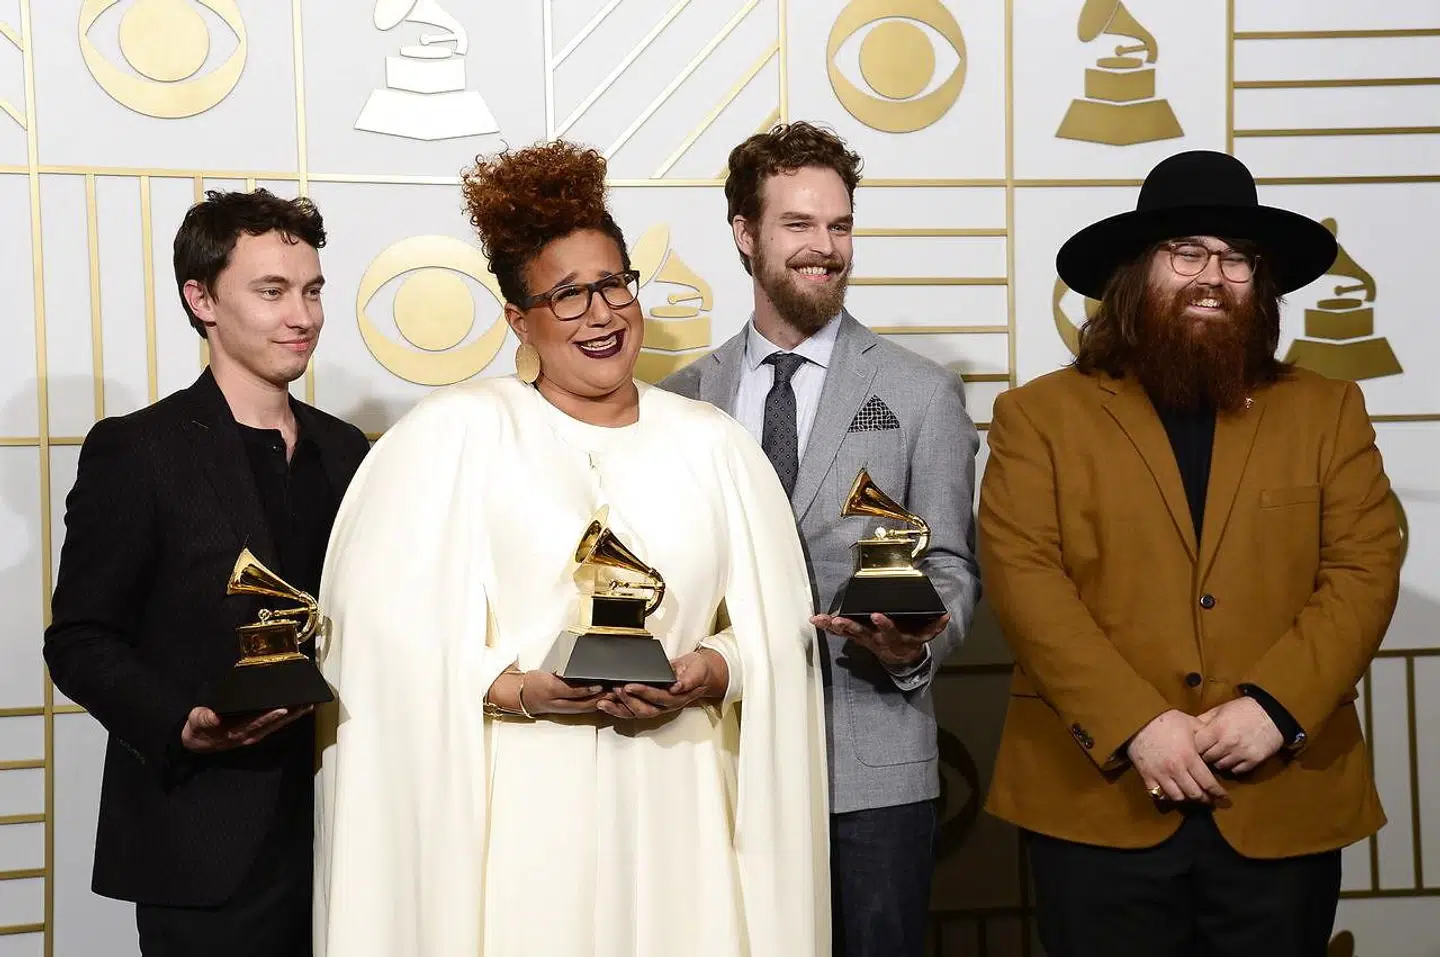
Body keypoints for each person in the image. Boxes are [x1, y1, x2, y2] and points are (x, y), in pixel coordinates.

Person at [311, 141, 829, 957]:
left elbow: (775, 627)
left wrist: (711, 669)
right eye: (568, 294)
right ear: (519, 319)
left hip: (681, 805)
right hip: (523, 815)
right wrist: (519, 689)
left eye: (615, 283)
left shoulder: (714, 445)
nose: (602, 313)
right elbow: (376, 644)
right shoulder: (454, 438)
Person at [980, 150, 1402, 957]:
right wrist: (1135, 722)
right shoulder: (1037, 416)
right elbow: (1026, 581)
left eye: (1237, 259)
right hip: (1097, 800)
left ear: (1259, 285)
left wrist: (1276, 707)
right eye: (1187, 253)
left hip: (1281, 799)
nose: (1213, 275)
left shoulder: (1328, 410)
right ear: (1137, 273)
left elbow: (1365, 568)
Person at [661, 121, 981, 957]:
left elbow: (951, 564)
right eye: (798, 224)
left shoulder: (921, 393)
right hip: (716, 765)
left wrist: (914, 639)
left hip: (869, 774)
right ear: (745, 234)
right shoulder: (679, 399)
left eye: (840, 226)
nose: (826, 248)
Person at [44, 189, 370, 957]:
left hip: (344, 829)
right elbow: (80, 639)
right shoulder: (139, 449)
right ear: (202, 300)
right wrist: (180, 720)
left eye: (312, 290)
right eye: (272, 291)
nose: (302, 315)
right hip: (204, 843)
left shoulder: (348, 449)